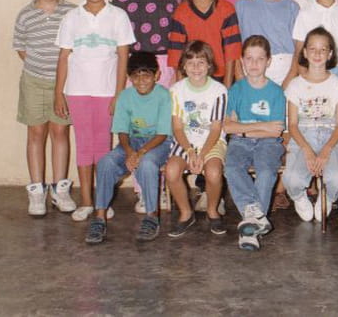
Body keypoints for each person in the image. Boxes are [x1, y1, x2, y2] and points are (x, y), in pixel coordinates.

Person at [54, 0, 135, 221]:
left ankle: (102, 201)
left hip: (106, 92)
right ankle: (87, 202)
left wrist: (119, 93)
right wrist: (58, 93)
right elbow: (63, 57)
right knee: (84, 145)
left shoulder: (118, 16)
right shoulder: (72, 18)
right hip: (77, 91)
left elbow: (123, 56)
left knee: (102, 147)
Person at [84, 52, 173, 244]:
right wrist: (130, 152)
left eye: (146, 75)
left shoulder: (164, 95)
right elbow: (122, 131)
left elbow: (162, 134)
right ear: (129, 77)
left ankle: (151, 217)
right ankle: (99, 218)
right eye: (135, 76)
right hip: (131, 142)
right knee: (106, 162)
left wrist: (139, 153)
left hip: (158, 143)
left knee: (147, 164)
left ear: (157, 75)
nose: (141, 81)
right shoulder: (125, 96)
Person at [13, 0, 77, 217]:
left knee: (60, 132)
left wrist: (59, 78)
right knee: (36, 133)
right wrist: (39, 67)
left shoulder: (71, 12)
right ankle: (37, 190)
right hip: (34, 81)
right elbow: (21, 47)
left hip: (63, 84)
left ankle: (60, 189)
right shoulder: (26, 15)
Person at [223, 36, 286, 251]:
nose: (254, 64)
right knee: (232, 168)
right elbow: (227, 127)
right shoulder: (236, 89)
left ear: (268, 61)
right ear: (242, 60)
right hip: (240, 142)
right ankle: (255, 216)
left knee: (266, 171)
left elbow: (276, 130)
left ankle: (250, 228)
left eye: (260, 59)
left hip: (269, 143)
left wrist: (243, 127)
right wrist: (262, 126)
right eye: (249, 58)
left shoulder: (276, 92)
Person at [282, 27, 338, 222]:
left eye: (323, 49)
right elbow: (292, 124)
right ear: (304, 52)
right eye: (312, 49)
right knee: (292, 179)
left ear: (330, 54)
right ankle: (299, 197)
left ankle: (328, 197)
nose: (317, 54)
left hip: (331, 135)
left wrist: (326, 150)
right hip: (303, 135)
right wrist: (307, 150)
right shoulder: (295, 85)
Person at [165, 41, 228, 238]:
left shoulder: (219, 91)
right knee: (171, 171)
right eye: (190, 63)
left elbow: (216, 129)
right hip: (185, 142)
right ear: (183, 66)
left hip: (212, 141)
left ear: (209, 65)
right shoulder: (176, 90)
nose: (196, 68)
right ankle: (186, 213)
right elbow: (177, 127)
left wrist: (202, 154)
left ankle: (212, 210)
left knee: (214, 173)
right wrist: (191, 151)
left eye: (201, 62)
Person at [167, 0, 242, 88]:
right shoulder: (181, 13)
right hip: (192, 77)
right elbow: (176, 55)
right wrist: (181, 88)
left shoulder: (227, 9)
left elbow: (232, 53)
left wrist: (226, 88)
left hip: (221, 77)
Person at [235, 0, 300, 88]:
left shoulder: (292, 7)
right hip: (251, 66)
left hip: (283, 69)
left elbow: (298, 49)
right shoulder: (242, 4)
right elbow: (234, 45)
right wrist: (239, 75)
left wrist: (291, 76)